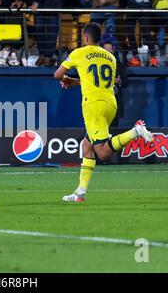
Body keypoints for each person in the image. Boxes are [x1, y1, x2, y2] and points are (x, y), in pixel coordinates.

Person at [53, 22, 154, 202]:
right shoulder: (110, 57)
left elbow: (57, 75)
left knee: (103, 153)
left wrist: (66, 79)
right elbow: (98, 80)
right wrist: (75, 82)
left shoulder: (79, 53)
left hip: (93, 105)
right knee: (87, 146)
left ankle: (135, 131)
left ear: (85, 37)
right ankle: (80, 192)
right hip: (110, 104)